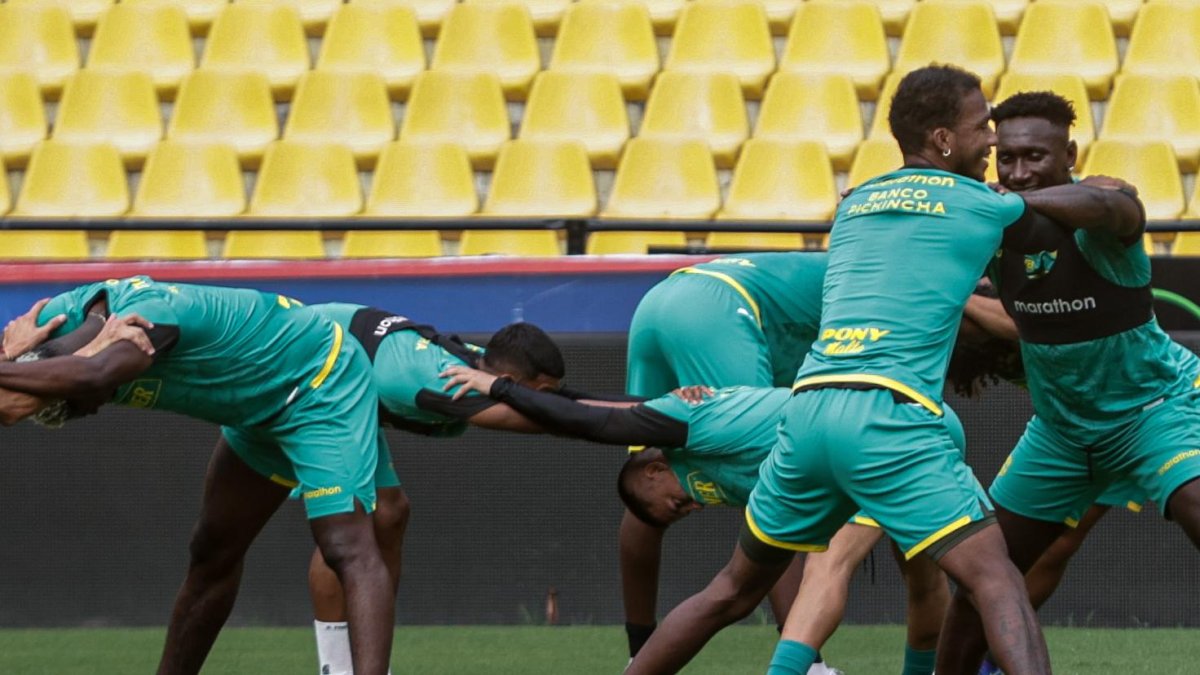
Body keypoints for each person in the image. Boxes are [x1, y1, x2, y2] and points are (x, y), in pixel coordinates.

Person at [626, 64, 1141, 675]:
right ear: (945, 140)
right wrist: (1113, 198)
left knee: (731, 591)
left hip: (806, 410)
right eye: (984, 130)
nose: (994, 144)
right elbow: (1075, 222)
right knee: (996, 579)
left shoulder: (855, 202)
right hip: (888, 415)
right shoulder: (978, 203)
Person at [0, 277, 395, 675]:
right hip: (253, 408)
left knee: (344, 543)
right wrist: (17, 355)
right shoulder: (77, 337)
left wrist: (62, 363)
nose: (91, 411)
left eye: (70, 406)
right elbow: (15, 404)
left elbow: (86, 378)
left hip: (318, 382)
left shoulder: (144, 323)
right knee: (212, 552)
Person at [939, 90, 1200, 673]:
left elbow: (1108, 205)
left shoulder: (1103, 209)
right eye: (1006, 158)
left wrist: (997, 203)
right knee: (982, 579)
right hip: (1060, 432)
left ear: (1070, 154)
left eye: (1035, 156)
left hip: (1154, 411)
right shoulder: (990, 226)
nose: (1019, 171)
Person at [302, 302, 568, 675]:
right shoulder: (438, 381)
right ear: (511, 380)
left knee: (391, 512)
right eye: (542, 393)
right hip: (310, 365)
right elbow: (567, 420)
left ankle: (371, 659)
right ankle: (335, 667)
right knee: (346, 521)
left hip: (352, 375)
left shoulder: (480, 364)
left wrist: (655, 404)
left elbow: (573, 407)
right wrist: (652, 418)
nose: (547, 401)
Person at [622, 252, 828, 669]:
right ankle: (806, 663)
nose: (696, 503)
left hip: (660, 301)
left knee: (645, 479)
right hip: (716, 311)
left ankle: (637, 653)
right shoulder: (885, 291)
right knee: (771, 488)